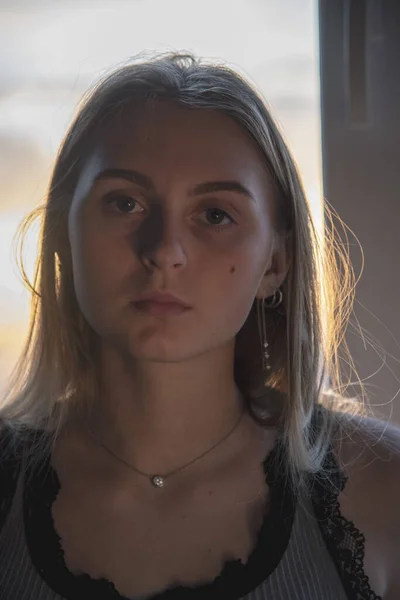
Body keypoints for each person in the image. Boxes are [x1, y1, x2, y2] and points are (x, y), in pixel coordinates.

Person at [0, 51, 399, 600]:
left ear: (275, 264)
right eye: (124, 203)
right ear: (63, 235)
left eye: (215, 215)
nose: (164, 251)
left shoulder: (385, 492)